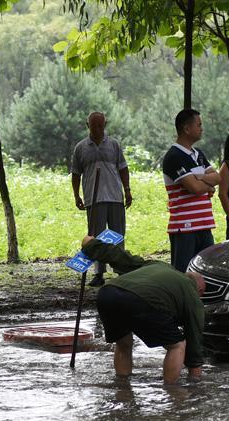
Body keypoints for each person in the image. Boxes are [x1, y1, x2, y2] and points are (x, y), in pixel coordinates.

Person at [81, 235, 206, 383]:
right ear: (199, 291)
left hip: (108, 294)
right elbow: (194, 337)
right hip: (141, 300)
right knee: (177, 345)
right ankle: (173, 393)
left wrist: (92, 245)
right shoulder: (192, 295)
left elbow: (122, 258)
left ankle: (122, 388)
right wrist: (195, 377)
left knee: (124, 344)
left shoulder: (159, 266)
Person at [71, 111, 133, 287]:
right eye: (94, 125)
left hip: (114, 196)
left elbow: (123, 168)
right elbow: (76, 174)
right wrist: (76, 195)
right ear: (87, 125)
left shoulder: (113, 145)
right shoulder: (81, 148)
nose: (97, 129)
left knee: (117, 235)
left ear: (104, 125)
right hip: (93, 198)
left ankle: (121, 270)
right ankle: (99, 273)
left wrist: (127, 190)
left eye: (100, 125)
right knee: (96, 238)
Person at [162, 108, 221, 272]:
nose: (202, 128)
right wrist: (206, 183)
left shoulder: (198, 154)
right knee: (184, 273)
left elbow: (218, 177)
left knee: (207, 271)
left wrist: (199, 178)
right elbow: (194, 188)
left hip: (204, 224)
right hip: (184, 228)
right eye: (199, 125)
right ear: (187, 129)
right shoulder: (174, 156)